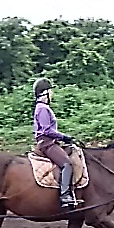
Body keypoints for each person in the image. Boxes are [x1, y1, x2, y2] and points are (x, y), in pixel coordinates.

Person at [33, 78, 76, 208]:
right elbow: (46, 130)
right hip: (47, 144)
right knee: (67, 164)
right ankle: (65, 196)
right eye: (50, 91)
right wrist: (64, 137)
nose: (52, 94)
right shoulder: (43, 108)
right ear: (45, 92)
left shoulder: (42, 108)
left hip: (50, 142)